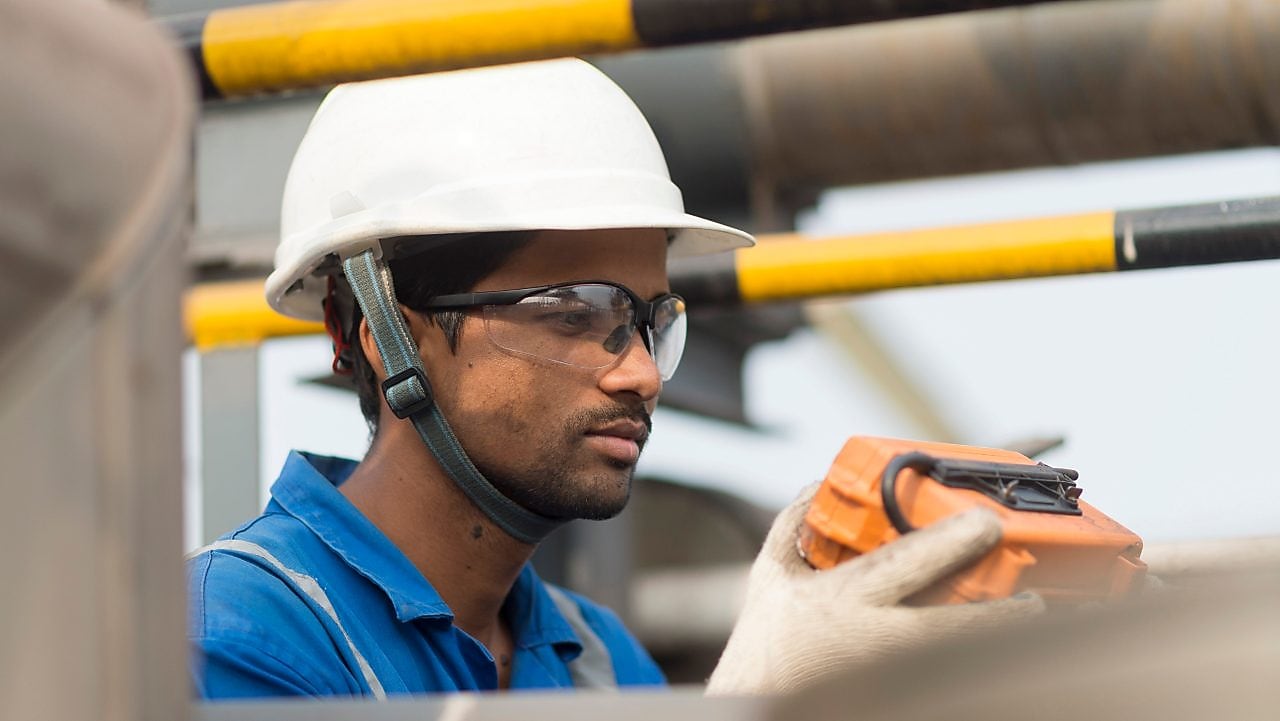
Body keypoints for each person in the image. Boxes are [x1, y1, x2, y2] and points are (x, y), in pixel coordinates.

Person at [187, 58, 1042, 700]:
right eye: (573, 310)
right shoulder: (235, 635)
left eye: (647, 320)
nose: (638, 372)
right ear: (378, 330)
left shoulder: (593, 655)